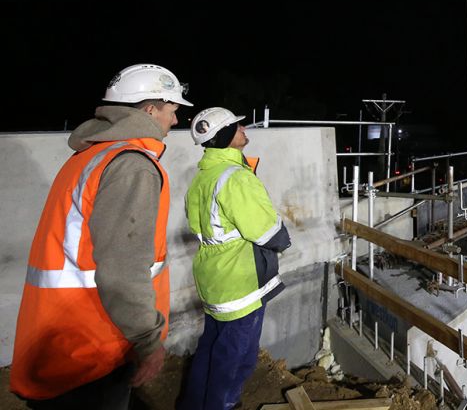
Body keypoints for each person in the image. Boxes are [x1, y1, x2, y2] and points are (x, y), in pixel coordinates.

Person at [10, 64, 193, 409]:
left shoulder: (90, 155)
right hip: (93, 344)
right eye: (172, 110)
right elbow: (122, 267)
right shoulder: (131, 165)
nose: (176, 120)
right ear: (150, 109)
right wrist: (148, 340)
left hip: (60, 340)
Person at [178, 107, 292, 410]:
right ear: (228, 136)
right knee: (236, 358)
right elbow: (268, 232)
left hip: (214, 279)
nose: (244, 129)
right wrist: (283, 241)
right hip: (240, 282)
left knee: (211, 349)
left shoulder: (204, 177)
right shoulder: (236, 178)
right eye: (237, 126)